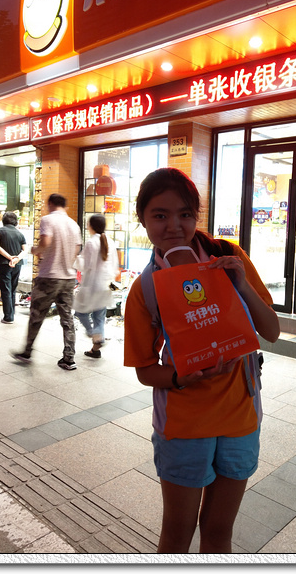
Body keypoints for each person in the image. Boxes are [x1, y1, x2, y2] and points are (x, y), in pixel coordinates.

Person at [123, 168, 280, 554]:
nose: (174, 226)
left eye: (185, 214)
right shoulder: (145, 289)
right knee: (177, 534)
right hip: (184, 425)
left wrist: (240, 285)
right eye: (160, 215)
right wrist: (182, 377)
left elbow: (272, 331)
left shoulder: (229, 257)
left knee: (219, 531)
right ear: (142, 218)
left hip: (241, 417)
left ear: (197, 216)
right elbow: (145, 370)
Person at [11, 193, 82, 371]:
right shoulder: (73, 224)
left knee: (37, 315)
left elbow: (46, 242)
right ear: (65, 205)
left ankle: (27, 352)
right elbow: (76, 250)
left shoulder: (48, 220)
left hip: (49, 276)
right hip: (68, 278)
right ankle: (69, 358)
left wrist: (36, 250)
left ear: (50, 204)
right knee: (67, 318)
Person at [73, 214, 118, 359]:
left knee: (80, 312)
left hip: (92, 285)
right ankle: (95, 349)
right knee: (99, 317)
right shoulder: (110, 241)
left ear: (91, 226)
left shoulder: (91, 242)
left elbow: (86, 265)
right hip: (105, 286)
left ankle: (94, 334)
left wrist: (75, 259)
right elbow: (114, 266)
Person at [0, 212, 27, 323]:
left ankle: (8, 317)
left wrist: (9, 257)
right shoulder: (20, 234)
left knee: (5, 289)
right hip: (17, 264)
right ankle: (11, 313)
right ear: (15, 221)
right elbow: (25, 250)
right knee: (12, 289)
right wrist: (16, 258)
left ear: (4, 220)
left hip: (3, 263)